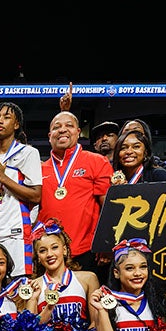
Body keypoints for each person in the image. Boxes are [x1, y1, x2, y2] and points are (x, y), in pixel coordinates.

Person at [26, 220, 100, 331]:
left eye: (54, 248)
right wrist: (47, 304)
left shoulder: (87, 278)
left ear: (65, 249)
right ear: (38, 257)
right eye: (43, 251)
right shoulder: (34, 286)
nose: (50, 254)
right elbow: (31, 327)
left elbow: (94, 322)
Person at [38, 111, 113, 271]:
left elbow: (108, 206)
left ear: (78, 132)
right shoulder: (39, 169)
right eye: (57, 127)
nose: (63, 130)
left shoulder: (97, 161)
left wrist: (106, 242)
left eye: (69, 126)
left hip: (87, 251)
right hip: (49, 253)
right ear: (50, 135)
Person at [0, 103, 42, 274]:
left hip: (15, 233)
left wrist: (1, 177)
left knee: (18, 289)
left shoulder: (28, 153)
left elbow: (35, 196)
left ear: (16, 124)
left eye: (6, 117)